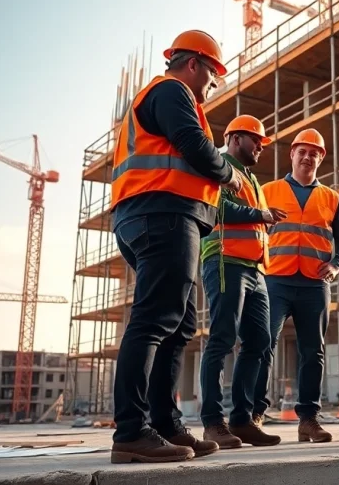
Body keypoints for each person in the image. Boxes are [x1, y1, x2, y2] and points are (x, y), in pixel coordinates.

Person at [108, 29, 244, 464]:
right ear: (194, 64)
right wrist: (229, 173)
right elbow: (195, 148)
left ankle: (165, 425)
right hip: (162, 213)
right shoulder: (171, 91)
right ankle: (132, 431)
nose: (213, 84)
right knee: (154, 320)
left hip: (154, 215)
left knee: (178, 324)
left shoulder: (165, 96)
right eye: (213, 74)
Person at [253, 128, 339, 443]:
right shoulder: (268, 191)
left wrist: (336, 265)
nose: (307, 157)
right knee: (262, 344)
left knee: (313, 351)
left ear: (321, 158)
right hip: (274, 280)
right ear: (292, 154)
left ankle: (309, 419)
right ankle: (254, 415)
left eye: (314, 153)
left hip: (314, 283)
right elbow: (251, 227)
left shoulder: (331, 198)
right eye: (302, 151)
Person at [197, 115, 287, 449]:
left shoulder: (251, 179)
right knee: (222, 338)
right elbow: (216, 209)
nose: (261, 146)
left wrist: (262, 218)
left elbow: (251, 219)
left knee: (260, 342)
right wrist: (261, 215)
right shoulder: (220, 167)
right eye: (256, 140)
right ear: (235, 139)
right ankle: (212, 422)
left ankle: (242, 420)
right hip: (225, 259)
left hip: (255, 268)